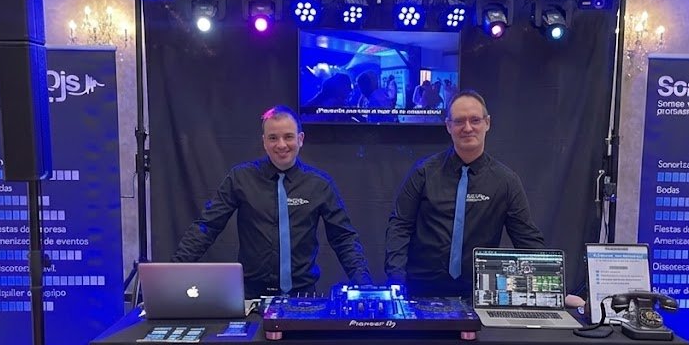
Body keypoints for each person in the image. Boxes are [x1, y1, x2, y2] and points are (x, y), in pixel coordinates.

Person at [173, 105, 372, 297]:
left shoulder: (319, 184)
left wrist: (365, 287)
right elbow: (207, 227)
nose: (281, 145)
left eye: (288, 137)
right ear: (264, 142)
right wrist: (174, 272)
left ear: (300, 139)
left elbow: (343, 238)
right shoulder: (240, 178)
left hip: (302, 297)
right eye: (273, 138)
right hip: (251, 297)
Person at [385, 89, 545, 297]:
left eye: (475, 120)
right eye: (459, 121)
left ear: (487, 123)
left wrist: (552, 289)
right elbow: (399, 226)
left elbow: (527, 239)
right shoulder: (423, 173)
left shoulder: (506, 181)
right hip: (421, 291)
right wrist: (396, 283)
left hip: (479, 294)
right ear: (448, 126)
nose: (467, 128)